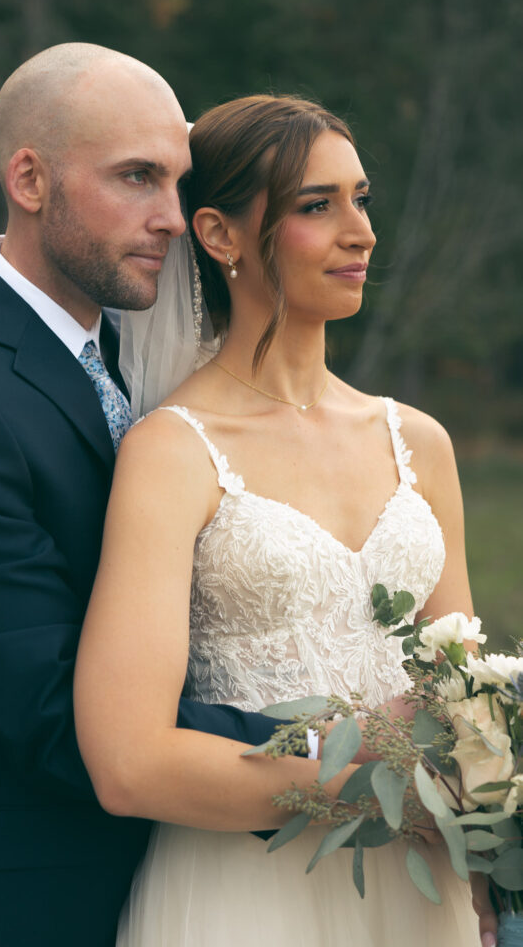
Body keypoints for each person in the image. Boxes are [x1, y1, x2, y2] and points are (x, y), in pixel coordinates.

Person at [0, 46, 294, 947]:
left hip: (192, 889)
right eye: (137, 178)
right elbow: (52, 712)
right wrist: (341, 744)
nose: (172, 217)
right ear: (29, 178)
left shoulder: (136, 364)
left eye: (178, 182)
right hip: (27, 908)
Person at [74, 95, 494, 945]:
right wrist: (372, 784)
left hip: (424, 892)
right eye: (316, 205)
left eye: (361, 199)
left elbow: (466, 696)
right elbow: (128, 763)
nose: (360, 232)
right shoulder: (173, 453)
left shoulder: (420, 441)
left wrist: (491, 811)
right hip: (245, 890)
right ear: (220, 235)